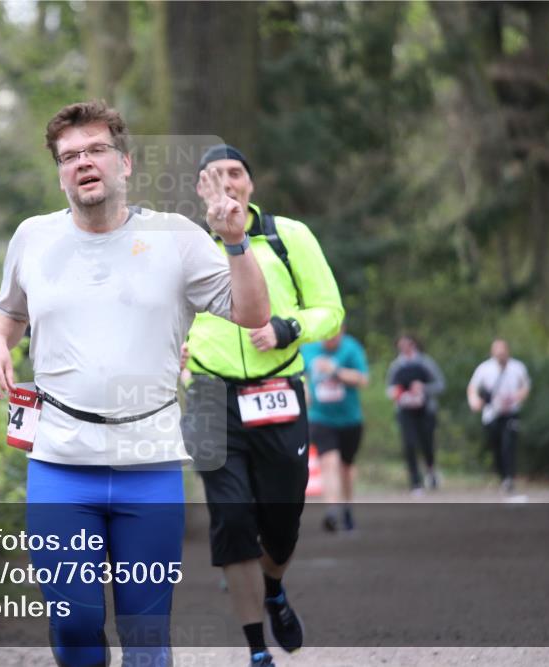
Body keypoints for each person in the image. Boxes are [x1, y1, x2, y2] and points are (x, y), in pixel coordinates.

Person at [0, 102, 270, 667]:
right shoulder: (33, 238)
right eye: (69, 156)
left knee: (146, 632)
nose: (83, 163)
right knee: (73, 620)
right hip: (60, 462)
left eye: (95, 151)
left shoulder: (176, 238)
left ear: (125, 164)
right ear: (60, 171)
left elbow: (253, 315)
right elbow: (6, 312)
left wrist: (236, 243)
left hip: (149, 465)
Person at [181, 144, 344, 667]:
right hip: (208, 392)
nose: (228, 182)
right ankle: (256, 649)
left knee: (282, 519)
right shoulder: (185, 245)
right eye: (216, 175)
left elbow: (331, 311)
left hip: (278, 389)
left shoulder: (288, 235)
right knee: (229, 517)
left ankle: (274, 587)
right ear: (201, 187)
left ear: (250, 183)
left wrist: (289, 327)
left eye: (237, 172)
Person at [301, 324, 369, 532]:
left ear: (343, 331)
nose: (330, 339)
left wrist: (336, 371)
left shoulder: (351, 348)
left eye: (335, 334)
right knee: (329, 461)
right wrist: (303, 388)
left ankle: (347, 508)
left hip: (350, 419)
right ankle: (332, 511)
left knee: (346, 468)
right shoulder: (308, 349)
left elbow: (363, 379)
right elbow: (297, 374)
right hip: (320, 417)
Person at [467, 339, 531, 493]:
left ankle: (509, 478)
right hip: (491, 414)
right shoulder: (484, 368)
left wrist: (517, 397)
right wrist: (474, 401)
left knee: (509, 444)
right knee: (496, 446)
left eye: (503, 350)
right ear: (492, 352)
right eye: (497, 350)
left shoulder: (517, 367)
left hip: (511, 413)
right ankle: (503, 476)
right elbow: (473, 387)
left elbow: (525, 387)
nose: (500, 353)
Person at [384, 334, 445, 494]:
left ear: (414, 345)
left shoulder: (426, 363)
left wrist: (423, 388)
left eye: (407, 345)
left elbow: (440, 385)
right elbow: (389, 389)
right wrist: (398, 394)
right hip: (405, 412)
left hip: (426, 411)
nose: (404, 348)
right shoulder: (396, 366)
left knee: (427, 444)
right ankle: (415, 482)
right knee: (409, 445)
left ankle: (431, 471)